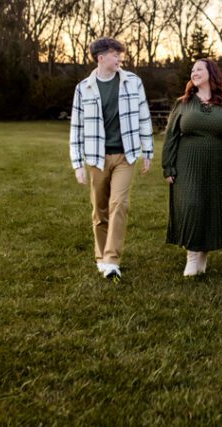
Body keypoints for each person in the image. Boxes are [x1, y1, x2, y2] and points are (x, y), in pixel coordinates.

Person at [69, 37, 153, 282]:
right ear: (101, 57)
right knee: (100, 210)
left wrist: (147, 152)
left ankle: (112, 259)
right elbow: (76, 128)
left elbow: (144, 117)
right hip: (96, 158)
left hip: (126, 155)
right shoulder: (83, 88)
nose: (119, 59)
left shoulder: (132, 82)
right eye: (115, 54)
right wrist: (77, 164)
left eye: (120, 54)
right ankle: (101, 257)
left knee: (119, 204)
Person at [162, 59, 222, 276]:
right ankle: (192, 256)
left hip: (219, 165)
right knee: (192, 204)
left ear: (211, 73)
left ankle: (202, 257)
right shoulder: (183, 103)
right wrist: (168, 166)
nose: (194, 73)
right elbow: (171, 137)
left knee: (212, 208)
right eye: (192, 70)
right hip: (187, 163)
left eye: (199, 69)